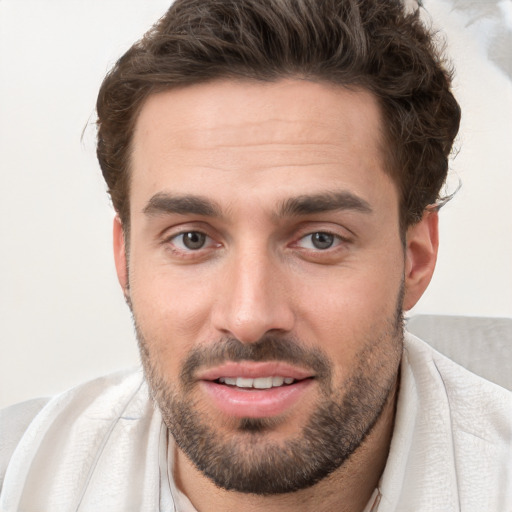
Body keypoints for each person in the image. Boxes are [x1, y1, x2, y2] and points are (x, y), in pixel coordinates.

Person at [1, 0, 511, 510]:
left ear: (416, 259)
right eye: (192, 239)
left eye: (320, 239)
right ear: (125, 260)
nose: (249, 318)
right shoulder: (17, 476)